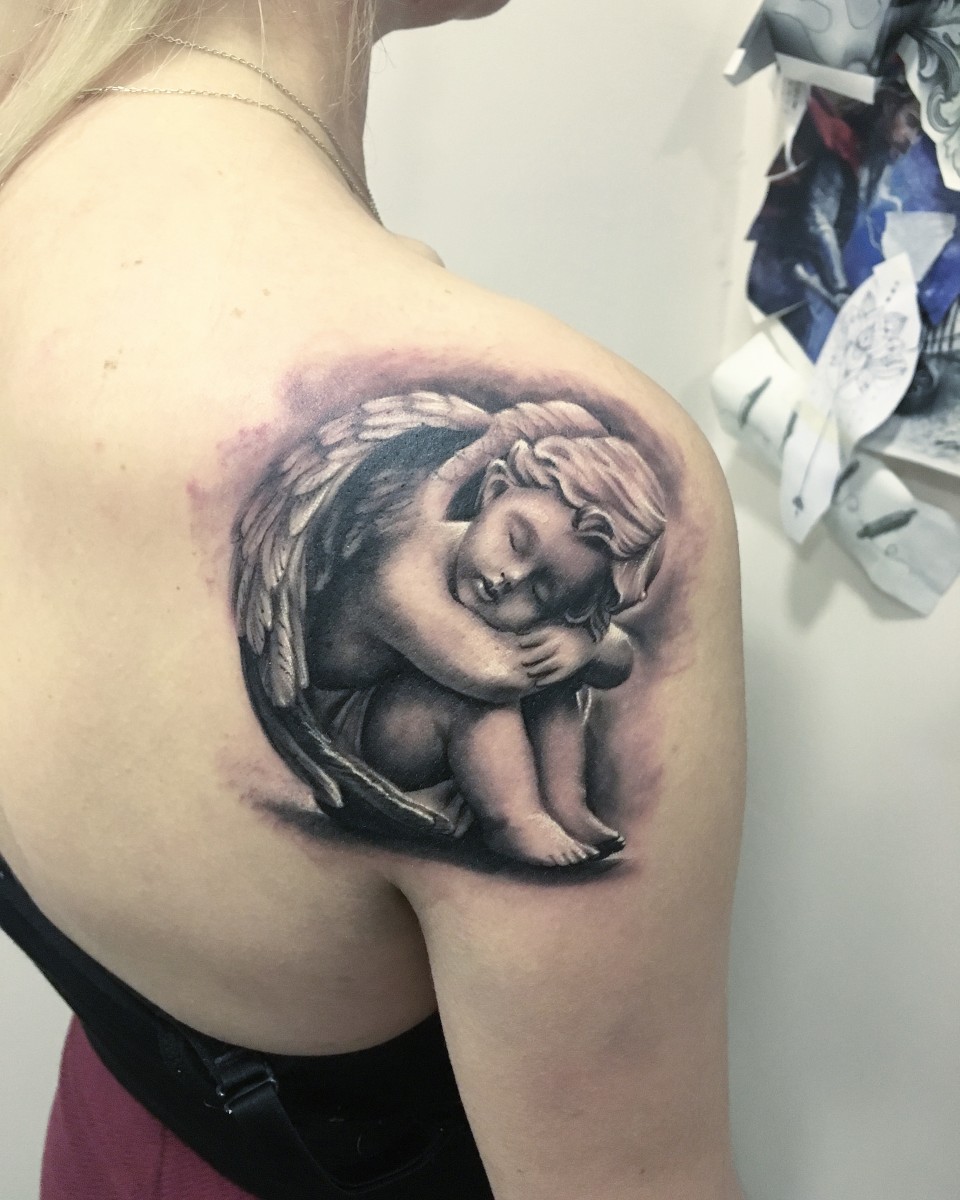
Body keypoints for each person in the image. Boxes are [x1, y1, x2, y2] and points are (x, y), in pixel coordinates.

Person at [0, 3, 747, 1199]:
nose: (513, 582)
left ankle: (555, 803)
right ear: (495, 486)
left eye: (552, 584)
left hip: (109, 1134)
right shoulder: (414, 522)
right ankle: (525, 821)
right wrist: (558, 650)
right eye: (518, 543)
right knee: (489, 697)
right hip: (288, 1104)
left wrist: (573, 648)